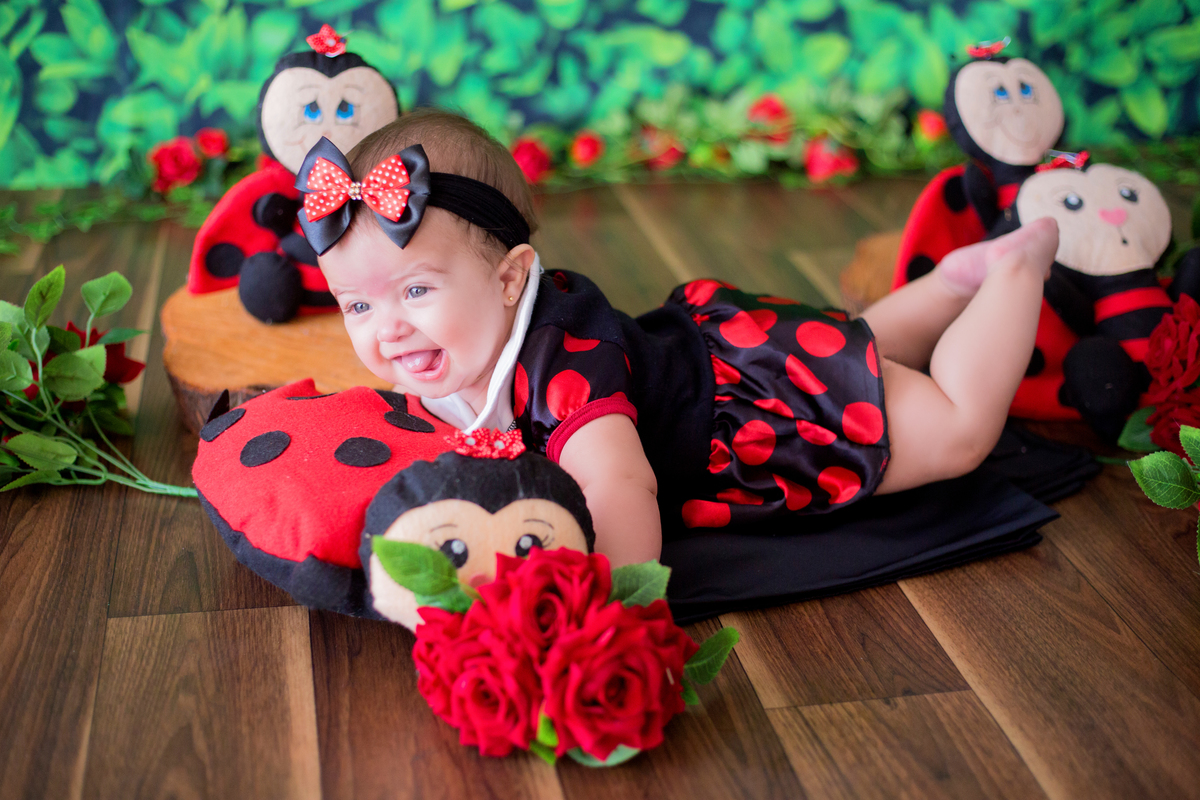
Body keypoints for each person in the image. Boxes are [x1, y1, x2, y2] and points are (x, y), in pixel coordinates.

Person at [297, 109, 1059, 571]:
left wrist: (618, 603)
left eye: (417, 291)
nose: (387, 329)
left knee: (954, 431)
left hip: (754, 407)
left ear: (509, 278)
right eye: (355, 306)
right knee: (855, 348)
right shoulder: (448, 346)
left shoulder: (570, 375)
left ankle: (1016, 267)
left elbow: (622, 487)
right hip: (724, 351)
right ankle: (952, 282)